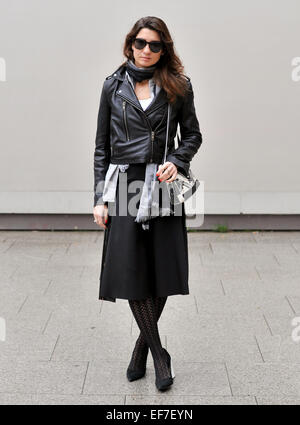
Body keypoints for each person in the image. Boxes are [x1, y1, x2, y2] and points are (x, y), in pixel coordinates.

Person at [93, 16, 202, 391]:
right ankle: (159, 353)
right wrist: (99, 199)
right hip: (124, 185)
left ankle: (142, 348)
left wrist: (178, 160)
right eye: (141, 43)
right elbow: (101, 147)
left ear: (164, 49)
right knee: (131, 270)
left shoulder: (178, 87)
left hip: (163, 183)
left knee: (162, 269)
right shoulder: (112, 86)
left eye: (155, 45)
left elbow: (192, 135)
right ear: (130, 44)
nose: (147, 51)